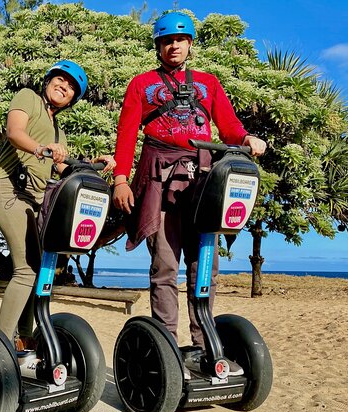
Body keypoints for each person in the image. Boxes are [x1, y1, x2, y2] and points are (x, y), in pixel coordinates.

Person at [112, 12, 266, 373]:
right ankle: (166, 348)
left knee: (204, 268)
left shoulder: (209, 84)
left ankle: (204, 345)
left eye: (180, 40)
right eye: (167, 41)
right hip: (158, 177)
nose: (174, 46)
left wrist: (245, 138)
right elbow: (127, 133)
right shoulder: (141, 84)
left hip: (202, 178)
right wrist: (121, 179)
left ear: (190, 44)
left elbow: (227, 126)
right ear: (159, 46)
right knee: (164, 265)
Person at [0, 60, 116, 350]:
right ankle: (1, 344)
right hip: (9, 189)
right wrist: (39, 148)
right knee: (26, 270)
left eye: (71, 87)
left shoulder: (60, 135)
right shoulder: (28, 98)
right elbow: (14, 132)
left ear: (72, 99)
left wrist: (96, 165)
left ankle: (25, 337)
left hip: (34, 200)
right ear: (48, 81)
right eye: (60, 79)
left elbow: (62, 170)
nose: (64, 86)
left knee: (37, 266)